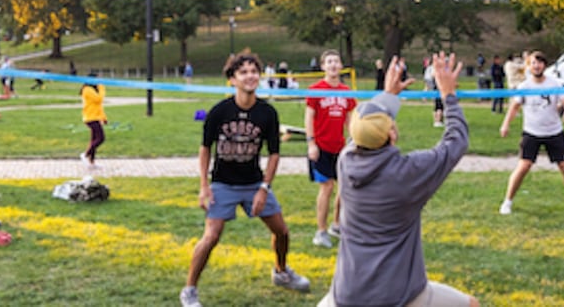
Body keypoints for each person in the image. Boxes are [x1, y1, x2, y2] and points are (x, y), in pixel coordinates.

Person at [318, 52, 479, 307]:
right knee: (471, 305)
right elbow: (456, 141)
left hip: (347, 295)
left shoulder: (345, 161)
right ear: (392, 133)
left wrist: (388, 95)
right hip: (398, 296)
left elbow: (367, 130)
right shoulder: (409, 173)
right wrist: (448, 94)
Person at [181, 52, 310, 307]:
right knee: (211, 236)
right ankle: (189, 289)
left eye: (254, 71)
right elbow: (205, 148)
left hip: (253, 183)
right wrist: (204, 186)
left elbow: (274, 154)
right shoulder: (219, 111)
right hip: (223, 183)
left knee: (281, 231)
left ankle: (281, 272)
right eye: (243, 72)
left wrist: (264, 188)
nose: (250, 76)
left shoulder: (267, 113)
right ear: (232, 79)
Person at [498, 50, 564, 215]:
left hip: (554, 132)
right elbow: (514, 107)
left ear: (544, 65)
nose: (536, 66)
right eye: (533, 63)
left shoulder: (555, 84)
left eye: (539, 62)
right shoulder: (525, 87)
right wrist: (505, 125)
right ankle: (507, 202)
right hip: (531, 132)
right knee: (524, 166)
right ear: (528, 67)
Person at [305, 49, 354, 248]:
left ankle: (337, 224)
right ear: (323, 66)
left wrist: (353, 140)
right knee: (327, 187)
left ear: (341, 66)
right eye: (329, 61)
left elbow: (350, 118)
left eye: (336, 61)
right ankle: (321, 231)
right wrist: (311, 142)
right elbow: (309, 116)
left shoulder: (346, 91)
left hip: (340, 147)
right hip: (321, 146)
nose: (333, 65)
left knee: (344, 188)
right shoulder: (316, 89)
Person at [78, 74, 107, 170]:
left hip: (95, 117)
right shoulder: (87, 90)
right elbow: (99, 99)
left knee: (94, 139)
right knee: (101, 138)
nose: (99, 81)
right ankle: (85, 154)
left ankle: (92, 162)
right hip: (90, 118)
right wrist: (102, 87)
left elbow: (98, 106)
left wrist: (103, 117)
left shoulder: (93, 89)